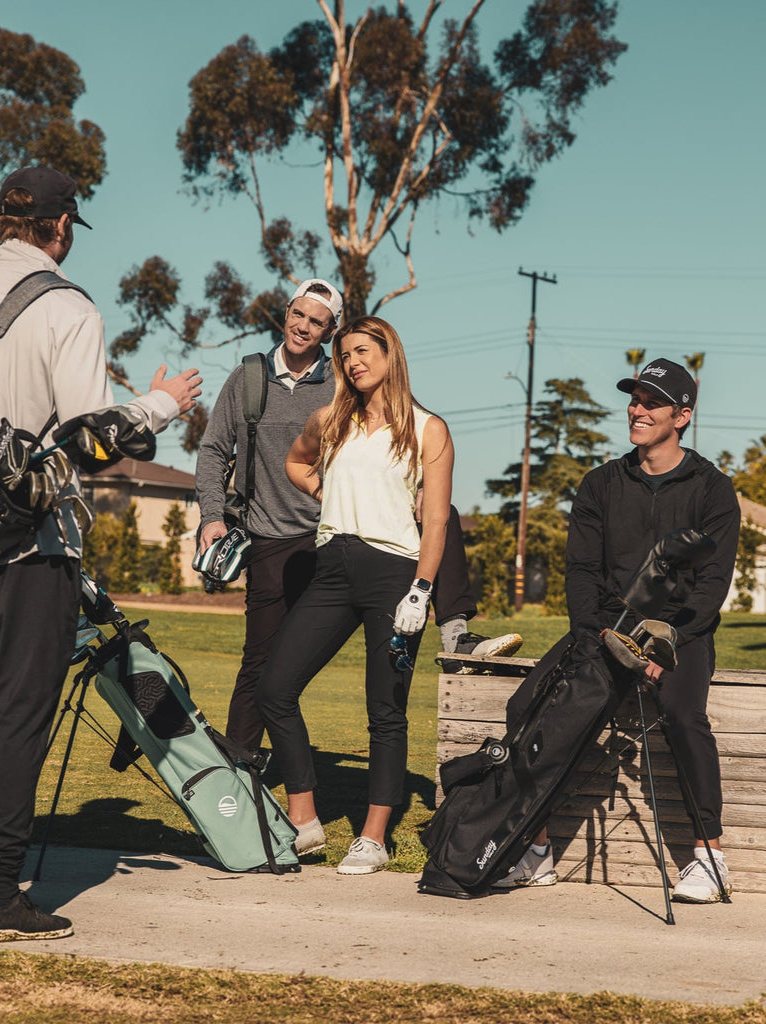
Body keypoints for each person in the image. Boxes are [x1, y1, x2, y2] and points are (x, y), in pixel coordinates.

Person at [0, 166, 202, 941]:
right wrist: (161, 403)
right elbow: (89, 438)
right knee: (17, 724)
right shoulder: (69, 307)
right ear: (62, 228)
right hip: (33, 551)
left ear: (1, 220)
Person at [195, 279, 521, 752]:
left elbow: (403, 430)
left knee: (440, 510)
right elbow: (213, 451)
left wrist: (413, 487)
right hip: (271, 540)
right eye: (298, 314)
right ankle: (238, 770)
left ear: (330, 333)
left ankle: (456, 633)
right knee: (260, 665)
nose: (303, 326)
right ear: (285, 312)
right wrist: (211, 515)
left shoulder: (346, 379)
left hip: (338, 536)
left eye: (317, 322)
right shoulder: (247, 379)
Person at [494, 358, 739, 902]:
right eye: (634, 399)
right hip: (607, 629)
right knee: (528, 708)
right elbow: (579, 573)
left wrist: (665, 642)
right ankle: (535, 851)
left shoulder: (712, 489)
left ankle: (710, 857)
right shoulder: (601, 483)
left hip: (681, 634)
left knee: (682, 714)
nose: (637, 409)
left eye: (651, 402)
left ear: (683, 415)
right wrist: (598, 637)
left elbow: (712, 583)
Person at [255, 315, 453, 874]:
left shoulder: (427, 428)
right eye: (345, 355)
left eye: (363, 351)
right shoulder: (331, 420)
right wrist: (327, 486)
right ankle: (304, 820)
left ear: (391, 354)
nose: (352, 362)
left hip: (394, 576)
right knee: (275, 688)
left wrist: (421, 590)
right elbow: (295, 461)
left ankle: (373, 836)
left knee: (384, 710)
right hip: (332, 568)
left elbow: (435, 522)